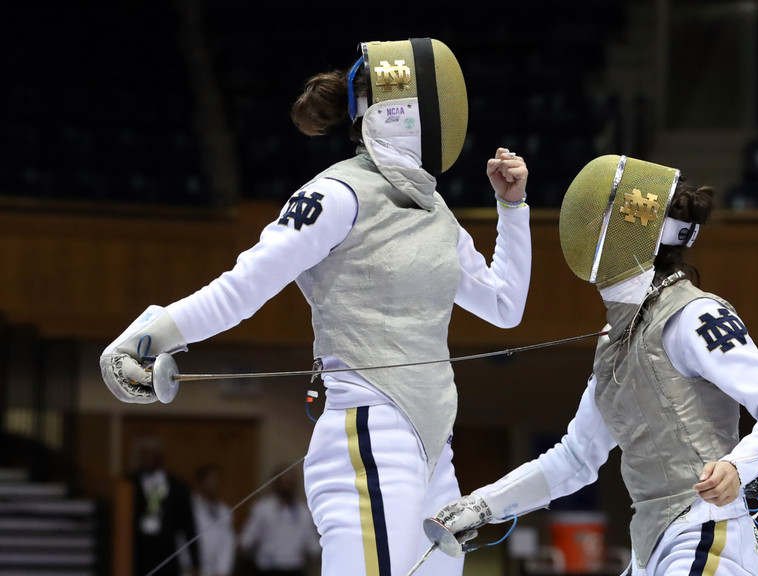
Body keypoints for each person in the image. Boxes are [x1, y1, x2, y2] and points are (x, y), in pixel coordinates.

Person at [99, 38, 531, 576]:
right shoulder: (336, 194)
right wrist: (153, 334)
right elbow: (244, 286)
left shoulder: (434, 210)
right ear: (402, 112)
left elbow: (503, 305)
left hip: (433, 450)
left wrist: (512, 209)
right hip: (367, 439)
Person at [429, 156, 758, 576]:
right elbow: (576, 458)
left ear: (628, 232)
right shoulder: (615, 341)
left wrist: (739, 465)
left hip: (708, 535)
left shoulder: (694, 315)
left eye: (598, 220)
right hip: (653, 547)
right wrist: (483, 505)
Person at [130, 438, 199, 576]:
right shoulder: (129, 484)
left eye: (153, 454)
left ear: (161, 456)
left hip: (167, 554)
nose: (148, 458)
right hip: (136, 554)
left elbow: (189, 526)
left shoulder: (178, 486)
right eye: (144, 454)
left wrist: (195, 562)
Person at [239, 467, 320, 576]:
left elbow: (311, 543)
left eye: (290, 482)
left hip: (294, 569)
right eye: (284, 482)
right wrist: (243, 547)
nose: (287, 485)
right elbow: (248, 536)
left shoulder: (303, 511)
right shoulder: (262, 508)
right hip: (267, 569)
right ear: (276, 483)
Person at [189, 465, 234, 576]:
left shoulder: (224, 511)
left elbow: (227, 544)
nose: (214, 485)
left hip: (215, 571)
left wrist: (222, 570)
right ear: (200, 482)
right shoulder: (189, 507)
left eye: (216, 482)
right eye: (210, 481)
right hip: (192, 570)